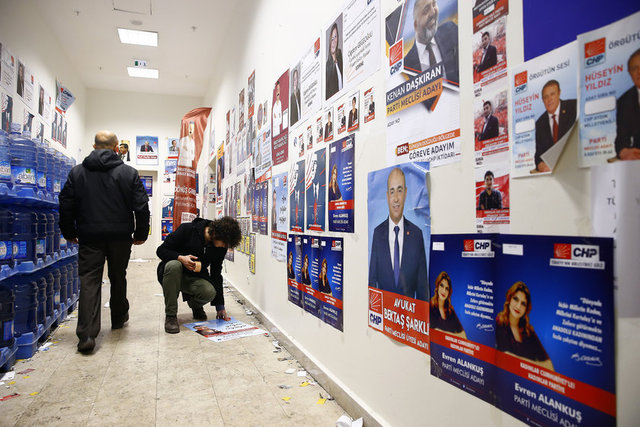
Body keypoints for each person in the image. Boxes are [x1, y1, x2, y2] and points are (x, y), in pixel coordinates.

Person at [59, 130, 150, 353]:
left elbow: (66, 205)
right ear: (117, 148)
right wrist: (140, 234)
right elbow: (141, 206)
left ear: (94, 146)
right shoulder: (129, 173)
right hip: (120, 237)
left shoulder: (77, 173)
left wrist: (69, 232)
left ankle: (87, 336)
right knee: (118, 276)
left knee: (90, 281)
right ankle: (118, 317)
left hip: (89, 236)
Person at [156, 216, 241, 334]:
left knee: (209, 292)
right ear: (216, 233)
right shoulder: (187, 230)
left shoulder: (219, 248)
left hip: (194, 276)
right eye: (224, 243)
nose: (224, 246)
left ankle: (195, 305)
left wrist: (220, 307)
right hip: (172, 274)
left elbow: (216, 274)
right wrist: (180, 258)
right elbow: (161, 250)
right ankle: (171, 316)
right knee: (174, 265)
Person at [369, 167, 428, 300]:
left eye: (399, 190)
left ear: (405, 193)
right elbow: (372, 281)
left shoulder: (417, 235)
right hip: (384, 310)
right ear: (387, 196)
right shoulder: (377, 233)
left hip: (408, 311)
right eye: (392, 191)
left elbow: (422, 290)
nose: (396, 198)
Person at [495, 282, 554, 371]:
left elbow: (549, 366)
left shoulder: (528, 331)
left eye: (523, 303)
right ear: (509, 299)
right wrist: (535, 365)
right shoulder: (499, 322)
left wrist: (519, 362)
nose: (518, 306)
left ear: (526, 309)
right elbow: (506, 358)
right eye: (516, 299)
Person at [404, 0, 459, 86]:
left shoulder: (451, 30)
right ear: (416, 25)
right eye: (426, 10)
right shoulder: (407, 65)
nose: (433, 12)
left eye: (434, 5)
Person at [534, 80, 577, 172]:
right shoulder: (540, 123)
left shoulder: (574, 107)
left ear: (559, 93)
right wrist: (541, 165)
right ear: (542, 100)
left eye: (552, 94)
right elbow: (538, 156)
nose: (549, 100)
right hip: (553, 173)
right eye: (546, 97)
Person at [614, 48, 640, 160]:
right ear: (629, 73)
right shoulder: (624, 101)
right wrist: (624, 152)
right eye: (634, 68)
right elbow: (621, 139)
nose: (639, 72)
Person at [429, 272, 466, 338]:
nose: (444, 291)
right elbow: (432, 333)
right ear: (437, 286)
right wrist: (454, 336)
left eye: (447, 288)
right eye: (441, 285)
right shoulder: (430, 305)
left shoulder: (450, 310)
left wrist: (442, 333)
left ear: (449, 292)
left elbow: (463, 335)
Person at [326, 22, 344, 99]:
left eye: (335, 37)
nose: (333, 41)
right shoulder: (327, 66)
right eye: (332, 38)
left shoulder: (339, 54)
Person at [307, 155, 325, 226]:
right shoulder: (307, 191)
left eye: (314, 169)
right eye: (311, 169)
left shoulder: (324, 188)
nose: (312, 171)